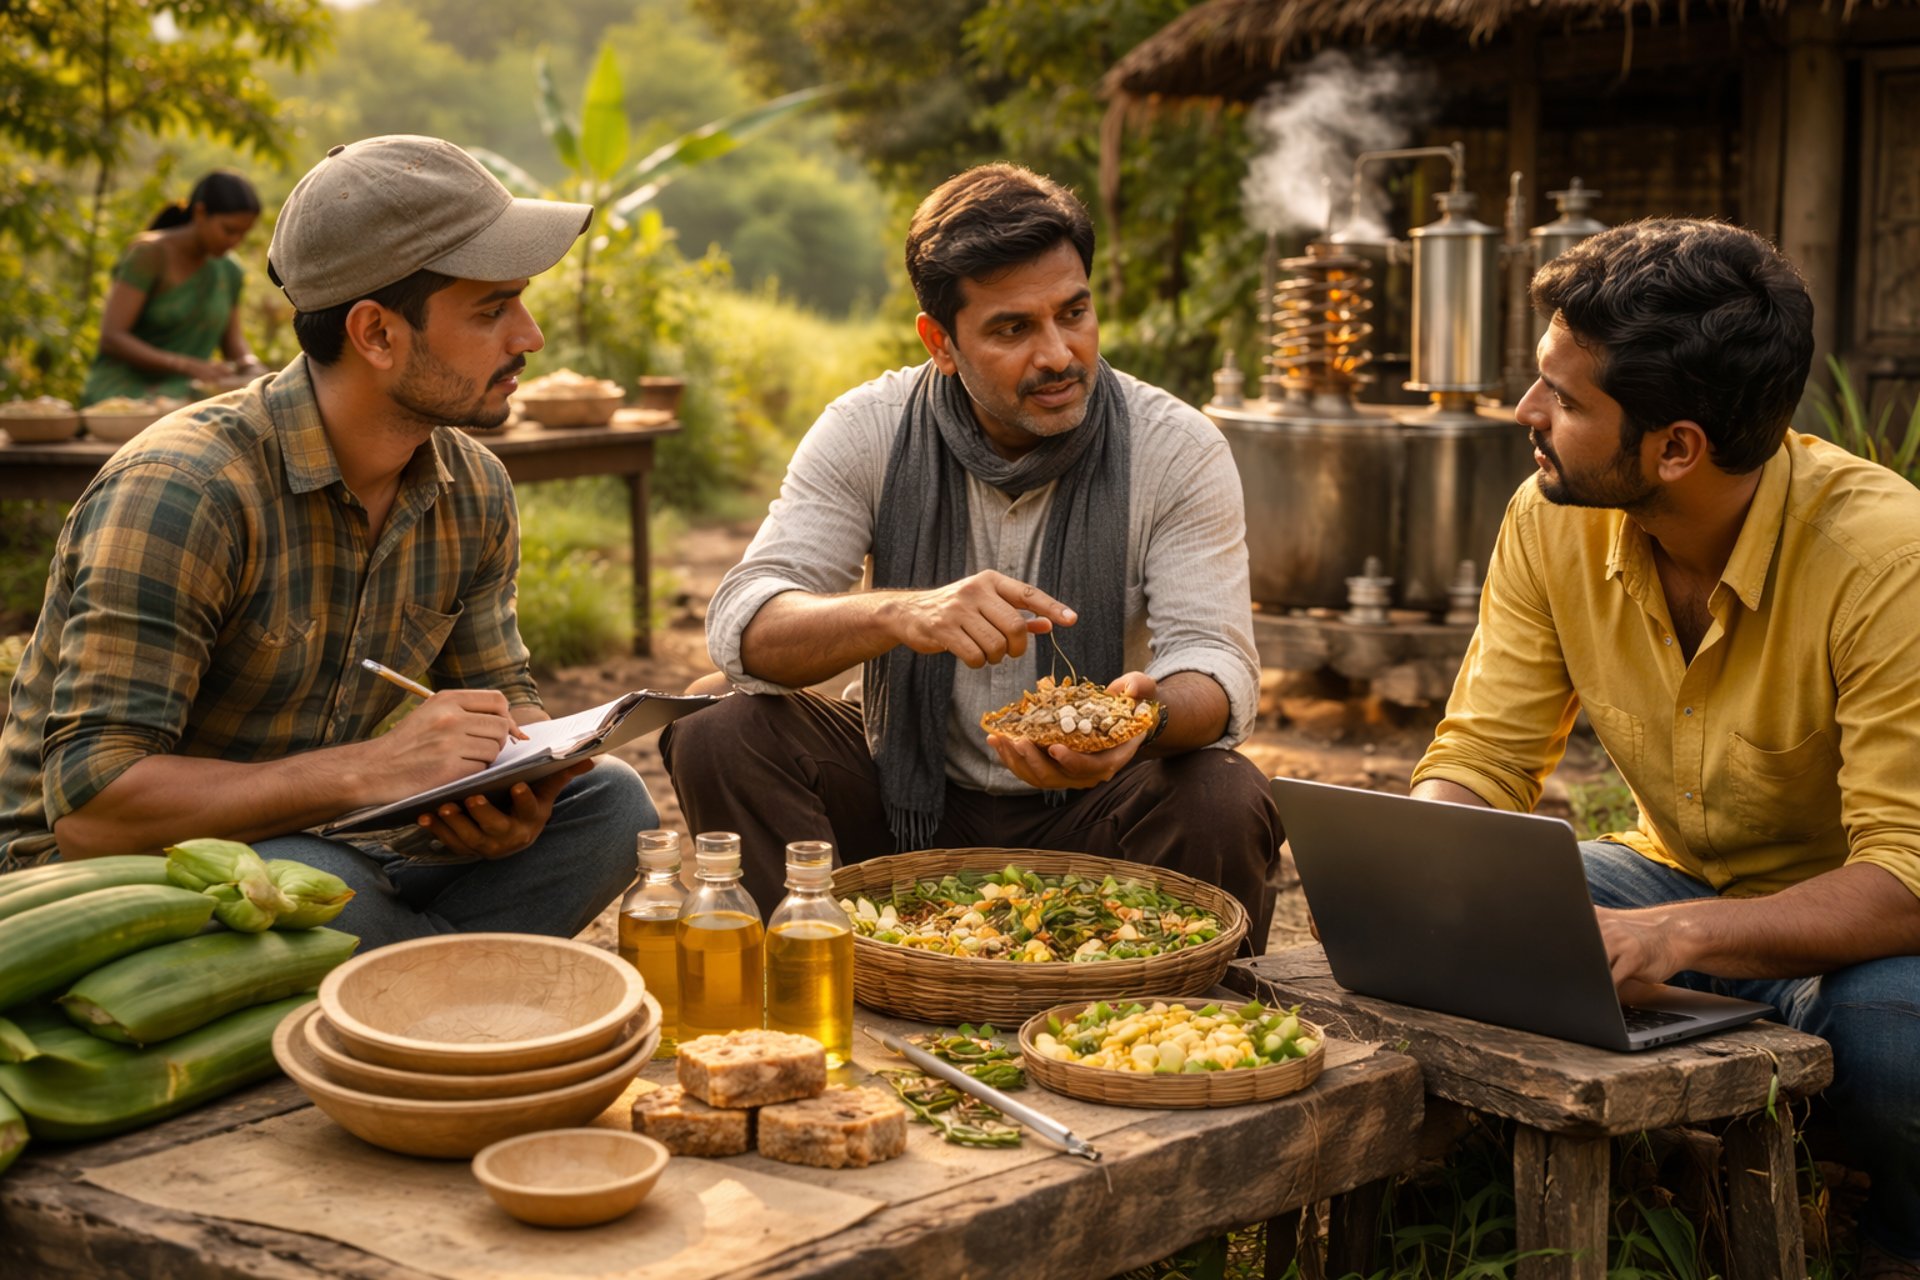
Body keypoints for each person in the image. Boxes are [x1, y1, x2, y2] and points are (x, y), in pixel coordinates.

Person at [1409, 218, 1920, 1274]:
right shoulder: (1551, 516)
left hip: (1862, 934)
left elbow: (1906, 880)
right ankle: (1516, 1196)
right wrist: (1418, 865)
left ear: (1676, 446)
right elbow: (1486, 755)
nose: (1526, 412)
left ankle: (1890, 1241)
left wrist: (1680, 935)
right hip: (1665, 881)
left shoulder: (1887, 558)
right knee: (1480, 917)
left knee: (1895, 1044)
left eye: (1566, 397)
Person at [0, 135, 655, 948]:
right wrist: (370, 772)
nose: (530, 337)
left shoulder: (473, 488)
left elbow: (506, 698)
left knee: (612, 805)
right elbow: (92, 815)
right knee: (330, 885)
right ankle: (419, 996)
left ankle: (376, 991)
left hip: (320, 839)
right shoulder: (185, 491)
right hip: (99, 884)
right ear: (376, 334)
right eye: (492, 309)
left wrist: (519, 789)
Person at [663, 164, 1282, 942]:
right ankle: (820, 974)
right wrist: (900, 613)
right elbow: (746, 624)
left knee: (1224, 796)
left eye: (1075, 312)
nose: (1059, 354)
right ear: (941, 342)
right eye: (1012, 329)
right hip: (900, 803)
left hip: (1093, 813)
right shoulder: (868, 428)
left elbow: (1215, 663)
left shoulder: (1176, 448)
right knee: (717, 719)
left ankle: (1168, 1024)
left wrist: (1140, 716)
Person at [81, 171, 269, 407]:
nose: (235, 242)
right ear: (200, 213)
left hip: (186, 393)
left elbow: (233, 342)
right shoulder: (149, 254)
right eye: (229, 230)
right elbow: (112, 337)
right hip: (124, 394)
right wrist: (186, 365)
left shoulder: (229, 270)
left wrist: (250, 365)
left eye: (243, 234)